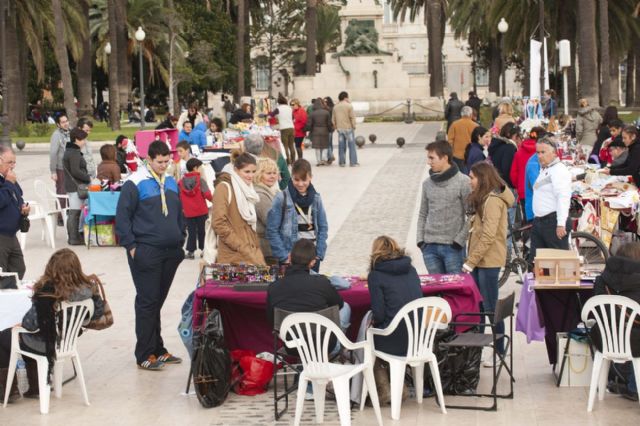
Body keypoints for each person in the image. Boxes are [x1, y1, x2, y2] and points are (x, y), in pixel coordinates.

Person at [116, 141, 186, 370]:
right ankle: (145, 353)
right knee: (147, 301)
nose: (164, 166)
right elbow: (123, 218)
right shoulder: (135, 182)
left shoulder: (170, 181)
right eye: (160, 162)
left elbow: (178, 211)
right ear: (149, 159)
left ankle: (158, 348)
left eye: (167, 162)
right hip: (146, 250)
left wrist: (181, 236)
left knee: (157, 300)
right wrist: (132, 247)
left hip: (171, 251)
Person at [0, 249, 105, 402]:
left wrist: (19, 324)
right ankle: (35, 386)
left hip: (47, 343)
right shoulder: (88, 290)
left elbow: (31, 324)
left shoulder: (47, 293)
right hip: (67, 342)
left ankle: (8, 391)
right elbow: (96, 314)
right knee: (21, 336)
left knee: (4, 336)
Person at [463, 162, 514, 358]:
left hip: (488, 260)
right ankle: (478, 350)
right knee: (479, 307)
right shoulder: (484, 198)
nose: (470, 181)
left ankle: (500, 351)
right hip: (480, 260)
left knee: (491, 307)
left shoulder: (492, 200)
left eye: (472, 177)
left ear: (482, 178)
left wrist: (470, 261)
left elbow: (488, 235)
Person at [590, 242, 640, 401]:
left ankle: (622, 379)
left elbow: (592, 311)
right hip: (634, 342)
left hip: (604, 339)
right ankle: (634, 386)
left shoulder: (601, 280)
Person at [417, 140, 470, 274]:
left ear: (445, 158)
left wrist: (459, 241)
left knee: (455, 290)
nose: (429, 162)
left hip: (453, 248)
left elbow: (472, 214)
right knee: (436, 291)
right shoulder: (427, 184)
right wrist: (420, 241)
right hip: (429, 247)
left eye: (432, 158)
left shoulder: (463, 182)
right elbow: (423, 213)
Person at [266, 159, 329, 272]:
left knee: (310, 289)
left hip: (312, 258)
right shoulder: (281, 198)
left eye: (304, 180)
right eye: (296, 179)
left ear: (311, 177)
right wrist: (284, 257)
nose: (300, 184)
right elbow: (272, 230)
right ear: (292, 177)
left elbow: (323, 227)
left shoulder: (316, 198)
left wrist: (318, 254)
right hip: (291, 258)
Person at [367, 235, 422, 356]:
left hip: (393, 338)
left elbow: (379, 315)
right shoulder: (411, 269)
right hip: (419, 337)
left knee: (366, 337)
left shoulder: (375, 276)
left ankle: (377, 372)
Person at [212, 152, 265, 265]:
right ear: (236, 170)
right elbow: (218, 223)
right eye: (246, 172)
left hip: (251, 252)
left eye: (253, 172)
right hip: (233, 256)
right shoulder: (224, 188)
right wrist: (241, 246)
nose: (250, 176)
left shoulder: (248, 189)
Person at [530, 136, 572, 259]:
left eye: (543, 152)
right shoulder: (545, 169)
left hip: (552, 222)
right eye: (538, 152)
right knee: (536, 263)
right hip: (540, 221)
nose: (539, 156)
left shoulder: (559, 170)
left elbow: (563, 197)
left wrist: (560, 223)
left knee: (557, 264)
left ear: (554, 153)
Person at [0, 146, 29, 289]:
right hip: (1, 234)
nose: (12, 166)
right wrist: (8, 183)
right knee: (1, 272)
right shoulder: (7, 180)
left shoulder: (9, 177)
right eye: (9, 162)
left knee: (19, 269)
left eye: (14, 162)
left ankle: (8, 296)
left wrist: (23, 207)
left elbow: (18, 194)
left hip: (12, 234)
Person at [179, 158, 212, 260]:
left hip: (188, 212)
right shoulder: (201, 181)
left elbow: (179, 197)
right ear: (195, 168)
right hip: (201, 211)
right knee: (203, 231)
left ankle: (190, 252)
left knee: (191, 232)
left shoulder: (180, 182)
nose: (202, 170)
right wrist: (215, 201)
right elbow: (207, 194)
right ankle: (204, 250)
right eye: (201, 167)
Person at [63, 128, 92, 246]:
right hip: (76, 186)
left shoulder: (69, 150)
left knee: (74, 213)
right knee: (74, 213)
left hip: (72, 185)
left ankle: (73, 237)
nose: (84, 141)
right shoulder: (74, 153)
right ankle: (74, 238)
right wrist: (88, 177)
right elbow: (75, 171)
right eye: (83, 139)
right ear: (76, 139)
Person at [510, 127, 544, 215]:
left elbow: (513, 174)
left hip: (523, 191)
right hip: (541, 191)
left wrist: (519, 185)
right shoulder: (543, 153)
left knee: (527, 220)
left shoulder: (519, 153)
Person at [254, 157, 280, 264]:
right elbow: (271, 220)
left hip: (270, 245)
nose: (272, 176)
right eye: (268, 173)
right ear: (259, 174)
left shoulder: (272, 190)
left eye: (274, 173)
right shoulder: (260, 194)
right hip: (266, 248)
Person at [49, 113, 70, 225]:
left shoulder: (69, 133)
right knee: (61, 191)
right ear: (58, 124)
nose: (66, 123)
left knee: (69, 192)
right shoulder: (56, 135)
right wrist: (53, 171)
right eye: (63, 122)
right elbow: (53, 153)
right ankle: (60, 217)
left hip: (70, 167)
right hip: (60, 168)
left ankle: (68, 214)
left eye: (66, 121)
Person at [488, 122, 520, 188]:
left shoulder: (498, 145)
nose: (518, 138)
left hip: (496, 183)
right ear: (510, 134)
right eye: (517, 135)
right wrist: (513, 185)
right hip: (506, 186)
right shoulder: (510, 147)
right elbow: (507, 169)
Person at [447, 106, 478, 172]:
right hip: (471, 154)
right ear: (471, 114)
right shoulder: (475, 125)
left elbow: (450, 140)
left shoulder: (454, 124)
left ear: (461, 114)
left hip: (457, 155)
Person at [332, 91, 359, 167]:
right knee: (352, 146)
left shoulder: (335, 107)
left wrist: (336, 127)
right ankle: (353, 162)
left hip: (340, 129)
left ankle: (342, 162)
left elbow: (333, 119)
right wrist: (354, 126)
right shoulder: (349, 106)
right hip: (348, 128)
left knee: (341, 146)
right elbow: (352, 117)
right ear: (345, 97)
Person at [308, 98, 332, 166]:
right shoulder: (326, 112)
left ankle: (318, 161)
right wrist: (330, 130)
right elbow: (329, 123)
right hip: (325, 131)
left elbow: (310, 124)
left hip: (315, 131)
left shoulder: (312, 113)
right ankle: (324, 159)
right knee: (325, 146)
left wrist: (307, 129)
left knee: (317, 147)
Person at [274, 95, 295, 165]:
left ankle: (288, 161)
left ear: (278, 102)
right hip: (291, 128)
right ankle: (293, 161)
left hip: (284, 128)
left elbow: (271, 115)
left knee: (285, 145)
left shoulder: (278, 108)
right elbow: (293, 117)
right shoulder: (289, 108)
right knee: (291, 145)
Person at [524, 154, 541, 222]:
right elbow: (537, 186)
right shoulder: (533, 164)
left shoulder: (537, 161)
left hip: (538, 209)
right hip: (535, 210)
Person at [324, 96, 336, 164]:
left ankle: (330, 156)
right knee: (330, 143)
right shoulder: (332, 108)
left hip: (329, 127)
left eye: (325, 101)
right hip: (331, 127)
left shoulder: (328, 109)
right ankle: (330, 157)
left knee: (328, 143)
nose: (324, 103)